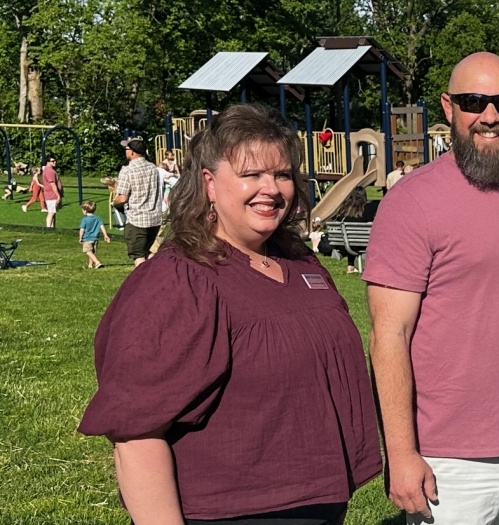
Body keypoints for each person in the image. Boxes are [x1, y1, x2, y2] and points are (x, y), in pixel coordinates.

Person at [78, 103, 381, 524]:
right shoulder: (179, 278)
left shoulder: (300, 263)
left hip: (320, 502)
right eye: (251, 175)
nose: (271, 189)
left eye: (281, 174)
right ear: (210, 184)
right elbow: (136, 433)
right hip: (231, 512)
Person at [364, 52, 499, 525]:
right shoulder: (411, 202)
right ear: (448, 107)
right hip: (449, 460)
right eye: (473, 101)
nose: (489, 116)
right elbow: (388, 336)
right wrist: (401, 454)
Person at [113, 139, 165, 266]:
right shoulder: (153, 167)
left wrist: (114, 203)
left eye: (126, 149)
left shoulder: (128, 170)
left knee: (138, 256)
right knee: (148, 252)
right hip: (154, 219)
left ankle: (143, 283)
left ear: (132, 152)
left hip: (137, 220)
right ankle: (156, 277)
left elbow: (123, 198)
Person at [317, 186, 374, 273]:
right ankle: (368, 267)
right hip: (362, 243)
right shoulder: (368, 209)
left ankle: (350, 266)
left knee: (352, 238)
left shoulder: (345, 209)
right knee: (362, 238)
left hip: (344, 243)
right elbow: (370, 227)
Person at [78, 200, 110, 269]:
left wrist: (80, 237)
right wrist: (105, 235)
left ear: (85, 210)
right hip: (95, 238)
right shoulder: (98, 218)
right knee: (92, 252)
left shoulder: (85, 220)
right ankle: (90, 265)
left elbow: (82, 229)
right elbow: (102, 226)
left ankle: (97, 262)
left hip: (87, 238)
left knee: (88, 251)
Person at [40, 157, 62, 228]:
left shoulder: (49, 170)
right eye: (53, 161)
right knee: (51, 213)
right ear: (48, 162)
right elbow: (52, 184)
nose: (55, 162)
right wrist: (57, 195)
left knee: (53, 213)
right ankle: (48, 229)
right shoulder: (49, 171)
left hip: (51, 195)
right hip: (52, 195)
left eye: (55, 160)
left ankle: (52, 228)